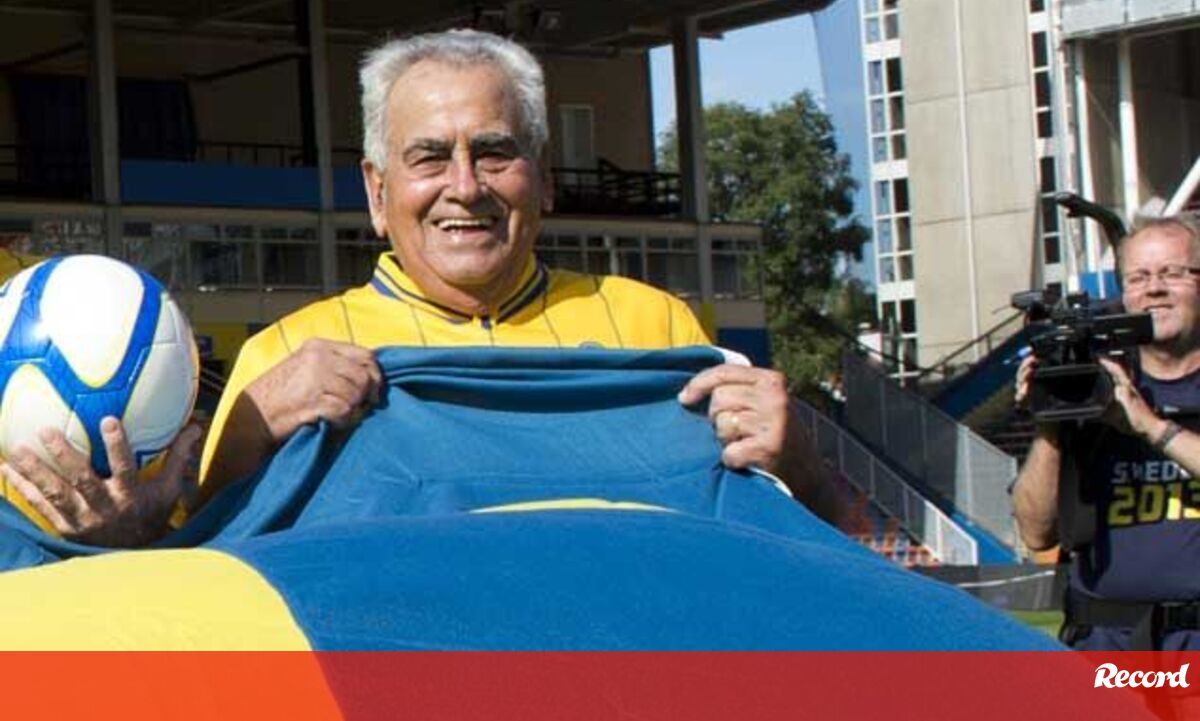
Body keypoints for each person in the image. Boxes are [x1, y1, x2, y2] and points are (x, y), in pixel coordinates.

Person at [0, 29, 836, 547]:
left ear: (544, 179)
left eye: (495, 152)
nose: (464, 186)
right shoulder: (284, 358)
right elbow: (205, 572)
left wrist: (795, 458)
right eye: (429, 156)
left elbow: (812, 545)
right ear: (376, 192)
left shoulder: (658, 328)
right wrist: (233, 448)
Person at [1012, 215, 1200, 650]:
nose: (1154, 289)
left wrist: (1151, 427)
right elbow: (1036, 533)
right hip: (1107, 646)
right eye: (1138, 277)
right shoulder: (1093, 387)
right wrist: (1050, 417)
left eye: (1172, 272)